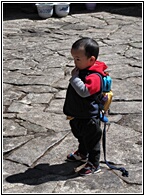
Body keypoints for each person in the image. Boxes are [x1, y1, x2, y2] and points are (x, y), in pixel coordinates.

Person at [63, 37, 108, 176]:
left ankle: (94, 164)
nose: (74, 62)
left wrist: (74, 78)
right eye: (74, 59)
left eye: (77, 59)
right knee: (80, 135)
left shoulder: (95, 76)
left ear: (91, 60)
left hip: (89, 116)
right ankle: (83, 153)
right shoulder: (82, 70)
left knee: (92, 140)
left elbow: (84, 92)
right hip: (78, 114)